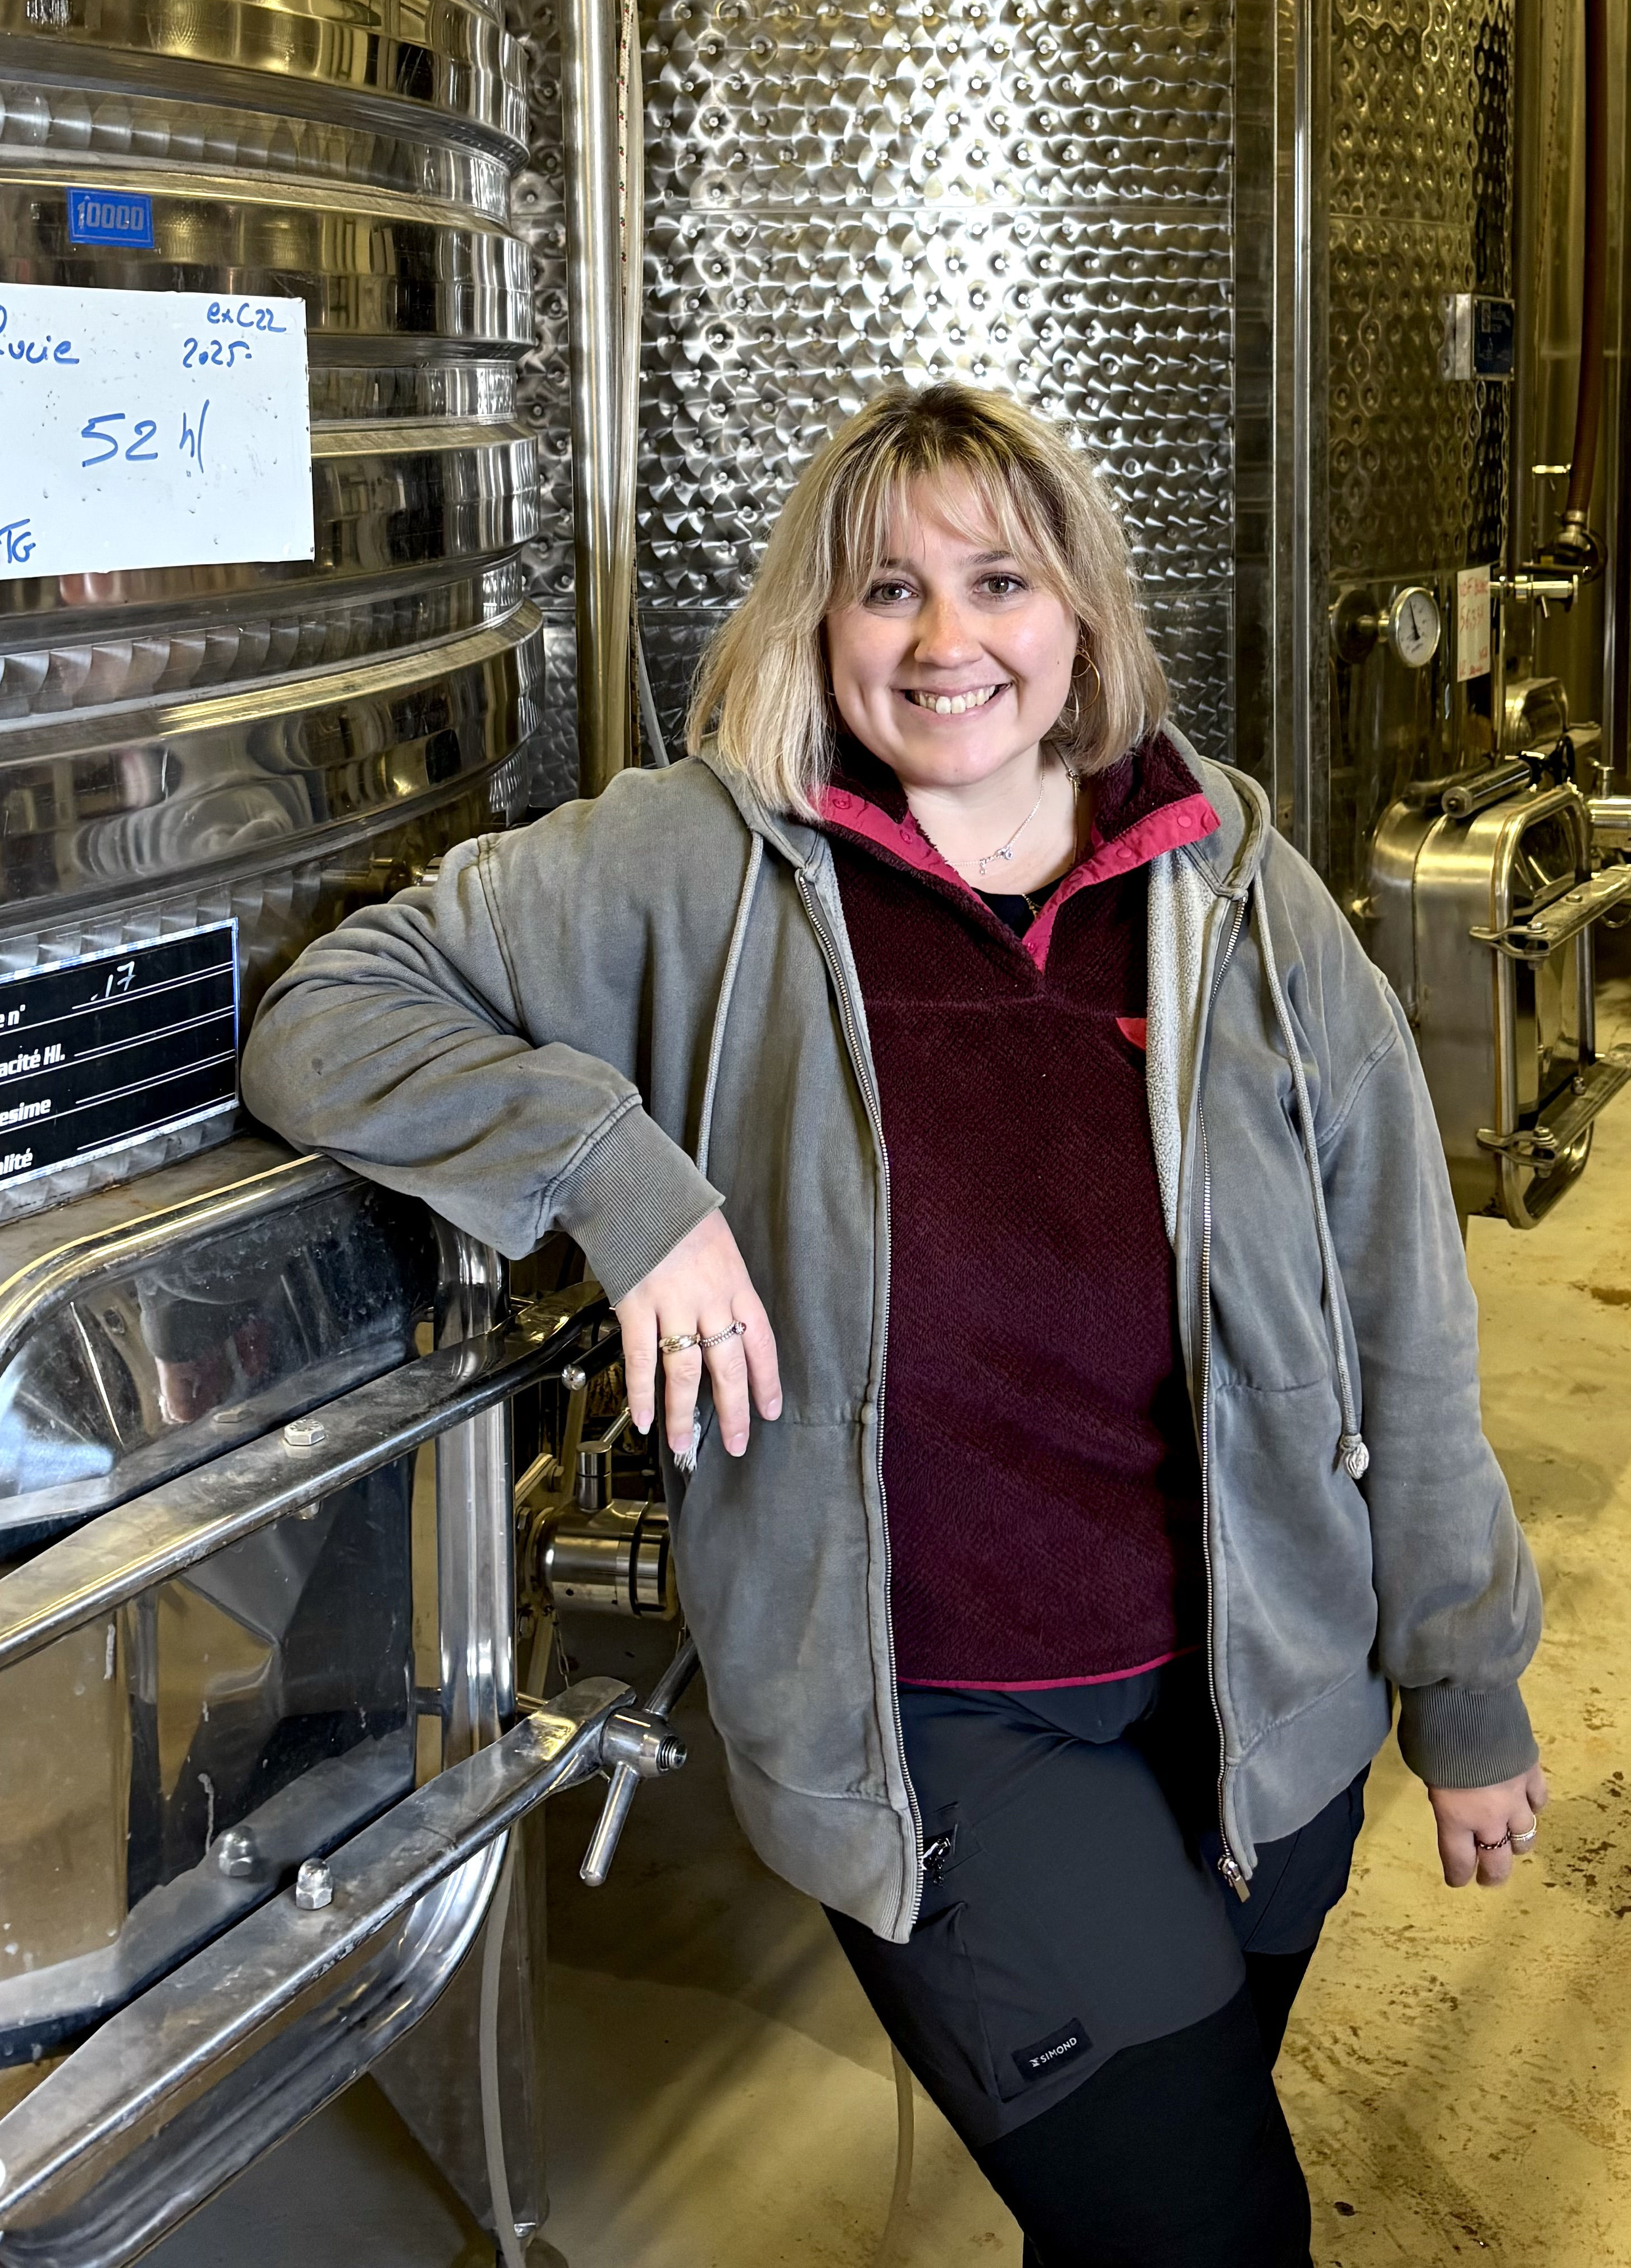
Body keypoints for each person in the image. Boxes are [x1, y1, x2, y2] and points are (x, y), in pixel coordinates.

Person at [242, 383, 1546, 2265]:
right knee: (1211, 2229)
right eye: (885, 593)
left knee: (1125, 2195)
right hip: (943, 1717)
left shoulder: (1232, 887)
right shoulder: (705, 863)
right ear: (815, 626)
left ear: (1079, 613)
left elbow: (1405, 1312)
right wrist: (621, 1180)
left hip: (1271, 1709)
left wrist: (1465, 1674)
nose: (947, 643)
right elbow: (335, 1011)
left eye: (999, 582)